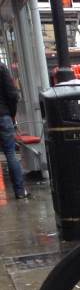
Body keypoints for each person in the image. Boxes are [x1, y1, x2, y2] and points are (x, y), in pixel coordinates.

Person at [0, 60, 29, 199]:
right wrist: (11, 114)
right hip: (3, 116)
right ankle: (20, 191)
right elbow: (12, 95)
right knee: (10, 154)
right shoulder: (1, 67)